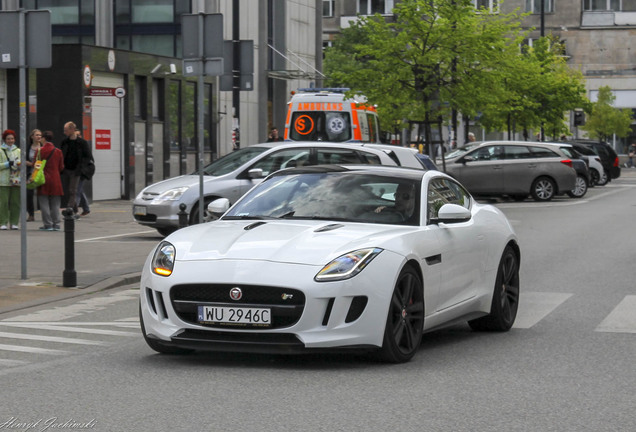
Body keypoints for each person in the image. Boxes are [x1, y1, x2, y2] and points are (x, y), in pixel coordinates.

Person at [60, 122, 91, 218]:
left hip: (76, 170)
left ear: (72, 129)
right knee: (68, 190)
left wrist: (81, 168)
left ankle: (69, 208)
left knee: (73, 190)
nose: (64, 132)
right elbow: (61, 155)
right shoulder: (65, 142)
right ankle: (76, 211)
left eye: (66, 130)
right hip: (66, 169)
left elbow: (87, 156)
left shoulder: (82, 143)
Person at [36, 132, 65, 231]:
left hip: (43, 179)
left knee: (44, 203)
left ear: (44, 138)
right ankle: (56, 224)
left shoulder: (39, 151)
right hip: (55, 179)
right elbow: (61, 167)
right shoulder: (58, 151)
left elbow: (37, 166)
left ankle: (48, 224)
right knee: (55, 204)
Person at [0, 129, 21, 230]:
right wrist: (8, 164)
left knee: (15, 202)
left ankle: (14, 222)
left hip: (16, 179)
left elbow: (22, 164)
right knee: (3, 202)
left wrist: (19, 164)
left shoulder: (18, 151)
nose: (10, 140)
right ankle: (3, 222)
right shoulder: (0, 150)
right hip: (3, 181)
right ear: (4, 139)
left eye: (12, 138)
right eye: (8, 139)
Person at [24, 129, 43, 222]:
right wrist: (27, 163)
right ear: (32, 137)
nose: (39, 137)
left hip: (41, 174)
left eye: (40, 135)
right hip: (30, 174)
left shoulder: (43, 147)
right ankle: (31, 214)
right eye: (37, 135)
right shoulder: (28, 148)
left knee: (43, 194)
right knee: (29, 194)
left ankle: (46, 213)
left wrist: (34, 164)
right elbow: (23, 159)